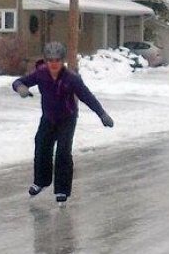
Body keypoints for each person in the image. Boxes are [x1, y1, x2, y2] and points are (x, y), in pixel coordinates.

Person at [12, 41, 114, 204]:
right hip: (48, 117)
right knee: (41, 146)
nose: (53, 64)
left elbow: (87, 97)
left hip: (67, 118)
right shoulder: (40, 74)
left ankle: (62, 190)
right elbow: (18, 82)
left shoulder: (71, 78)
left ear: (62, 61)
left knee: (63, 152)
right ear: (46, 61)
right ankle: (41, 181)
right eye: (50, 60)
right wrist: (21, 88)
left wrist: (102, 114)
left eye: (57, 60)